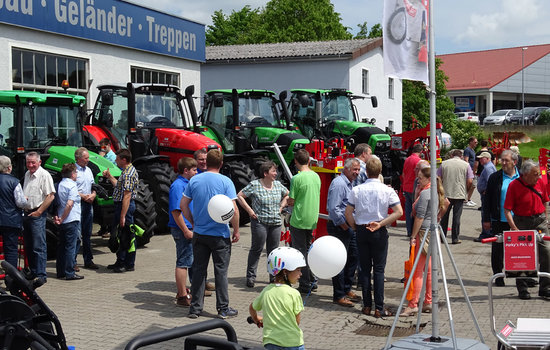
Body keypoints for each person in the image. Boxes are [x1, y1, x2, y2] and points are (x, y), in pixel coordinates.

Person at [181, 149, 240, 319]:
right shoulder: (226, 181)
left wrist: (193, 223)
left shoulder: (195, 180)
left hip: (200, 234)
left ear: (206, 163)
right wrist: (235, 230)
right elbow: (234, 210)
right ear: (221, 164)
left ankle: (195, 309)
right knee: (220, 271)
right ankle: (222, 309)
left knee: (199, 271)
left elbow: (183, 204)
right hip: (220, 235)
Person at [345, 156, 402, 318]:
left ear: (366, 171)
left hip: (362, 229)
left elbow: (348, 212)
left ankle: (366, 305)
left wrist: (355, 226)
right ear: (380, 172)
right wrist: (382, 223)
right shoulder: (387, 190)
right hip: (378, 229)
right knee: (378, 269)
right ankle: (379, 307)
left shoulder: (357, 190)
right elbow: (399, 212)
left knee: (364, 269)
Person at [400, 167, 447, 316]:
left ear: (428, 179)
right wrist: (438, 217)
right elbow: (446, 203)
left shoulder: (426, 193)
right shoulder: (436, 191)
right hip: (433, 232)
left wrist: (413, 236)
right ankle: (428, 301)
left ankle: (413, 304)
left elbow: (419, 217)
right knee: (430, 269)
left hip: (423, 233)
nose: (417, 180)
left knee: (417, 270)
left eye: (420, 178)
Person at [504, 160, 550, 300]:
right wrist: (514, 229)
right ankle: (523, 288)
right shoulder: (514, 185)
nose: (538, 176)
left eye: (538, 174)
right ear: (525, 174)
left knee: (547, 252)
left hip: (539, 220)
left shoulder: (540, 182)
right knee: (522, 256)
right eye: (535, 174)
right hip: (522, 222)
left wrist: (546, 219)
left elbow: (545, 201)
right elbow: (507, 210)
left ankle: (545, 287)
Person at [238, 161, 289, 288]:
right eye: (273, 171)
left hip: (276, 223)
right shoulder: (255, 185)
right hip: (260, 222)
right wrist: (250, 211)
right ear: (265, 173)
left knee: (273, 251)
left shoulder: (278, 185)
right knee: (257, 249)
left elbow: (288, 195)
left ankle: (273, 276)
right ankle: (251, 276)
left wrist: (281, 206)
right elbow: (240, 196)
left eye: (276, 171)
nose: (276, 174)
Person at [249, 247, 306, 350]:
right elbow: (296, 322)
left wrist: (256, 319)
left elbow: (252, 308)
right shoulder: (294, 293)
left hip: (271, 342)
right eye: (298, 270)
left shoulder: (266, 291)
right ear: (285, 272)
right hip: (292, 343)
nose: (300, 274)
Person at [326, 158, 361, 307]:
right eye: (354, 170)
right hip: (340, 227)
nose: (357, 173)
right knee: (339, 261)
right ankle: (338, 295)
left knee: (353, 257)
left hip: (349, 226)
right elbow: (333, 209)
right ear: (346, 169)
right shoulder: (339, 184)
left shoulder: (350, 183)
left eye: (358, 170)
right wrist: (345, 226)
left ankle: (347, 289)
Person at [482, 150, 520, 287]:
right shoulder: (495, 177)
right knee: (498, 249)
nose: (503, 163)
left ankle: (523, 277)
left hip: (519, 220)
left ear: (514, 162)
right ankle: (498, 275)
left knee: (520, 249)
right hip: (500, 219)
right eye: (502, 160)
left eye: (506, 160)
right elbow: (487, 200)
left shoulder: (521, 176)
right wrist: (486, 219)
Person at [288, 149, 321, 294]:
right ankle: (312, 279)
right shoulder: (316, 176)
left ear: (296, 162)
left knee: (300, 253)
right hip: (312, 218)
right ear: (309, 160)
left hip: (299, 219)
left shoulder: (297, 178)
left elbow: (292, 200)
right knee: (308, 250)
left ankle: (305, 283)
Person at [103, 148, 139, 273]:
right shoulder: (125, 171)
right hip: (122, 206)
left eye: (117, 159)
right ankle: (122, 261)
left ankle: (124, 262)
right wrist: (109, 176)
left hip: (124, 207)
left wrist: (123, 215)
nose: (115, 161)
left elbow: (127, 196)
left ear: (124, 160)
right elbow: (119, 186)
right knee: (124, 234)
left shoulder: (128, 174)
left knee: (124, 235)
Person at [22, 151, 56, 286]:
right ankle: (33, 271)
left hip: (37, 214)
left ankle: (41, 274)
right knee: (29, 245)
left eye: (33, 163)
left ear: (39, 162)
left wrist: (40, 211)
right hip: (26, 213)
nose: (30, 165)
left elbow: (51, 196)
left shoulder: (44, 175)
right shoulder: (27, 174)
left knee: (38, 245)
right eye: (28, 163)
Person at [168, 157, 197, 307]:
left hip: (190, 228)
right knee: (183, 262)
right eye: (194, 169)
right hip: (182, 229)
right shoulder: (178, 186)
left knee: (189, 260)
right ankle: (182, 295)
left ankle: (186, 291)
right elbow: (176, 210)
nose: (196, 172)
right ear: (185, 170)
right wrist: (185, 229)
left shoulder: (187, 184)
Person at [437, 149, 474, 244]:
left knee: (444, 216)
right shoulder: (466, 165)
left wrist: (440, 189)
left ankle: (442, 237)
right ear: (461, 156)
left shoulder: (444, 164)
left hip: (446, 193)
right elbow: (470, 180)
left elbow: (438, 177)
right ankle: (455, 238)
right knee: (457, 217)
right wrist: (466, 190)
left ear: (452, 155)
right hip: (459, 194)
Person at [54, 163, 84, 280]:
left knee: (62, 246)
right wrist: (63, 217)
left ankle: (60, 271)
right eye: (76, 172)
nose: (77, 174)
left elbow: (57, 203)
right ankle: (69, 272)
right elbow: (70, 204)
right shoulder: (72, 186)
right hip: (71, 219)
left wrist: (59, 217)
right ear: (72, 174)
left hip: (62, 220)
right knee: (70, 246)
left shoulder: (60, 184)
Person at [0, 156, 28, 269]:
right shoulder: (14, 182)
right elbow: (20, 203)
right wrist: (26, 199)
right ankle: (10, 279)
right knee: (11, 250)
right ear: (9, 167)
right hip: (10, 220)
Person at [74, 147, 98, 270]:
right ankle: (73, 262)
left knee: (87, 234)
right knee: (77, 235)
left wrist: (93, 194)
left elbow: (93, 186)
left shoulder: (88, 170)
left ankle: (88, 260)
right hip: (77, 206)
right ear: (78, 159)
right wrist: (83, 196)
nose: (88, 160)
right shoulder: (73, 171)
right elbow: (71, 188)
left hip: (89, 205)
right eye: (86, 158)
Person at [473, 151, 496, 242]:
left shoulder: (488, 168)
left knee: (486, 214)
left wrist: (486, 191)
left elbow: (490, 182)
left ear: (487, 158)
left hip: (486, 195)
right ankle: (487, 232)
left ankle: (486, 234)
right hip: (486, 194)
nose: (480, 160)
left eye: (481, 158)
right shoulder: (488, 167)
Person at [402, 144, 424, 237]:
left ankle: (409, 230)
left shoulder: (407, 159)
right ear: (421, 151)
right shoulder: (419, 161)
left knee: (408, 210)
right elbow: (420, 176)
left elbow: (403, 174)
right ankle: (414, 231)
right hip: (414, 188)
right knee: (416, 210)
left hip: (406, 186)